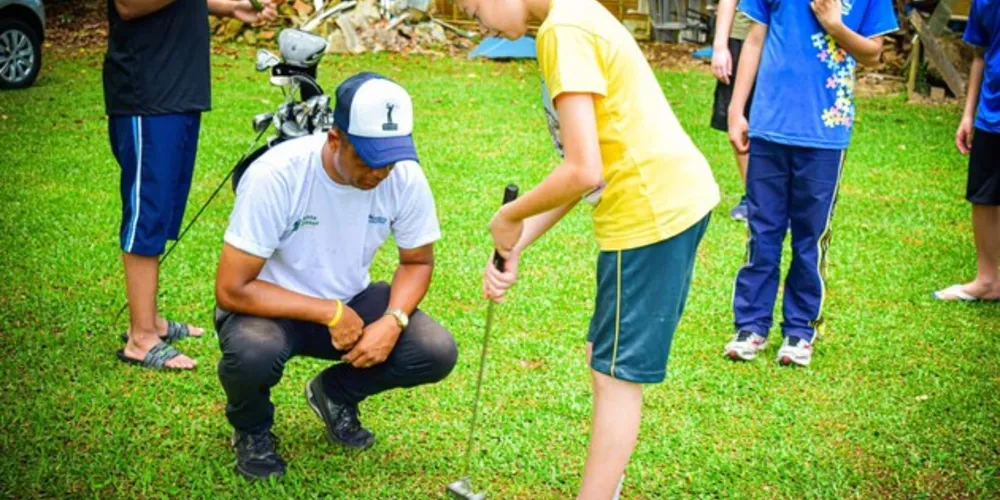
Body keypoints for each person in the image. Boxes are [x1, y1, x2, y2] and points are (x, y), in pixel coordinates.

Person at [457, 0, 720, 497]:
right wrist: (518, 241)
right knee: (604, 354)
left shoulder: (566, 30)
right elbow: (582, 171)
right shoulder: (570, 19)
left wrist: (509, 215)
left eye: (474, 11)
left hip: (650, 213)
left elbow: (583, 171)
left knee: (615, 376)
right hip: (652, 206)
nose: (481, 25)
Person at [212, 72, 457, 480]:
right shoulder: (277, 175)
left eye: (390, 159)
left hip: (351, 302)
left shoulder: (404, 176)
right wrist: (329, 312)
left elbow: (417, 262)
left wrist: (393, 321)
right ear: (334, 139)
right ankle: (252, 429)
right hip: (268, 307)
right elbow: (231, 288)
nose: (381, 172)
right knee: (252, 353)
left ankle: (334, 393)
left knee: (434, 349)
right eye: (368, 159)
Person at [723, 0, 898, 366]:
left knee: (810, 237)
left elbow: (874, 53)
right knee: (762, 230)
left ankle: (800, 331)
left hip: (824, 135)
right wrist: (737, 110)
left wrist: (835, 26)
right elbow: (755, 39)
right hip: (769, 126)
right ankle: (751, 326)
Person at [105, 0, 278, 370]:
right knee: (146, 213)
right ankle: (141, 338)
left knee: (164, 208)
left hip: (179, 90)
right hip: (146, 93)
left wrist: (231, 8)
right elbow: (129, 5)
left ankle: (151, 321)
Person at [933, 0, 1000, 302]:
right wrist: (968, 115)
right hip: (991, 115)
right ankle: (987, 281)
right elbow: (980, 55)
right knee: (983, 196)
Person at [711, 0, 755, 221]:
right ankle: (754, 198)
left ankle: (779, 198)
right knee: (738, 118)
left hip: (784, 38)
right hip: (743, 34)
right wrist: (720, 47)